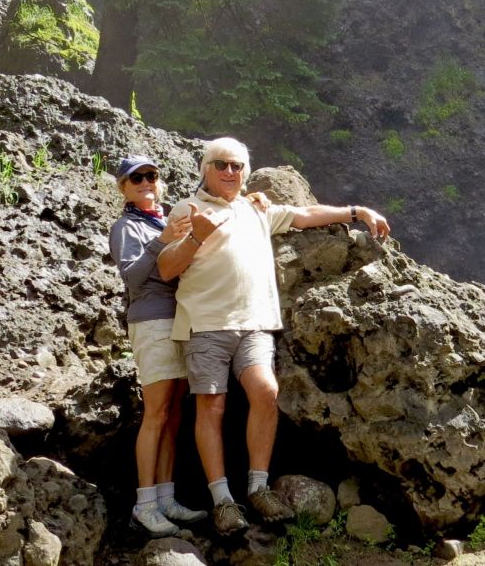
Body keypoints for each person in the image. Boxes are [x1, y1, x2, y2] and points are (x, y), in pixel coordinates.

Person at [157, 137, 390, 536]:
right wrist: (196, 236)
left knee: (266, 391)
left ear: (245, 173)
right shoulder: (187, 209)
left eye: (237, 166)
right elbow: (165, 267)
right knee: (211, 406)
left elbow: (304, 214)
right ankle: (222, 501)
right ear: (205, 169)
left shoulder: (256, 209)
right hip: (205, 323)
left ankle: (258, 487)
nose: (229, 171)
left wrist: (357, 211)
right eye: (221, 164)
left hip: (255, 323)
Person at [109, 155, 208, 537]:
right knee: (156, 413)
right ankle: (144, 504)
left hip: (181, 320)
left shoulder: (166, 220)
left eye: (151, 175)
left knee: (173, 413)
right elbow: (132, 278)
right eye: (136, 179)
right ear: (124, 188)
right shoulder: (126, 226)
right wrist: (162, 241)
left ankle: (166, 498)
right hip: (151, 322)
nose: (146, 182)